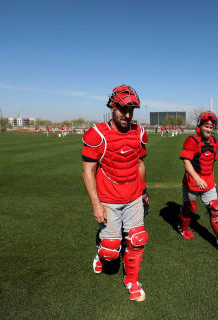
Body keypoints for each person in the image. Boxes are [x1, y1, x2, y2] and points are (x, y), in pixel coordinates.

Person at [81, 84, 149, 302]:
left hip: (133, 197)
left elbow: (139, 164)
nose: (127, 115)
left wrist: (144, 192)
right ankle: (102, 252)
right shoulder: (97, 134)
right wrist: (95, 204)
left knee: (137, 240)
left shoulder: (139, 133)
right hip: (108, 200)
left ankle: (132, 282)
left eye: (131, 111)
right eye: (122, 110)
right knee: (111, 250)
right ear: (112, 107)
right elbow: (88, 170)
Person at [178, 111, 218, 252]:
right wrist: (197, 179)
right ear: (200, 126)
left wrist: (208, 180)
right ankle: (183, 228)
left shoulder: (215, 142)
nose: (209, 130)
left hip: (209, 183)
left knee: (216, 209)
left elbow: (210, 162)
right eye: (206, 127)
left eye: (211, 128)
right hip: (192, 183)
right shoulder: (192, 141)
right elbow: (186, 162)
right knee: (190, 208)